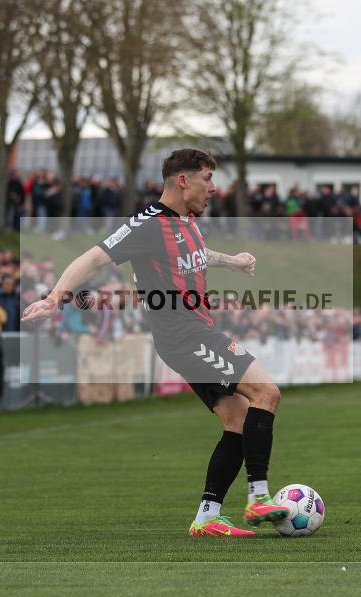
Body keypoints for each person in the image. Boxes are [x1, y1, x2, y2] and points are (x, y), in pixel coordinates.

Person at [22, 149, 288, 538]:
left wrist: (231, 261)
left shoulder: (187, 222)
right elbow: (92, 258)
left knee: (237, 421)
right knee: (267, 393)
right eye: (207, 179)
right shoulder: (146, 225)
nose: (213, 188)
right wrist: (54, 297)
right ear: (183, 181)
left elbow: (195, 253)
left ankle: (207, 518)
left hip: (191, 332)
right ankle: (259, 497)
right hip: (185, 333)